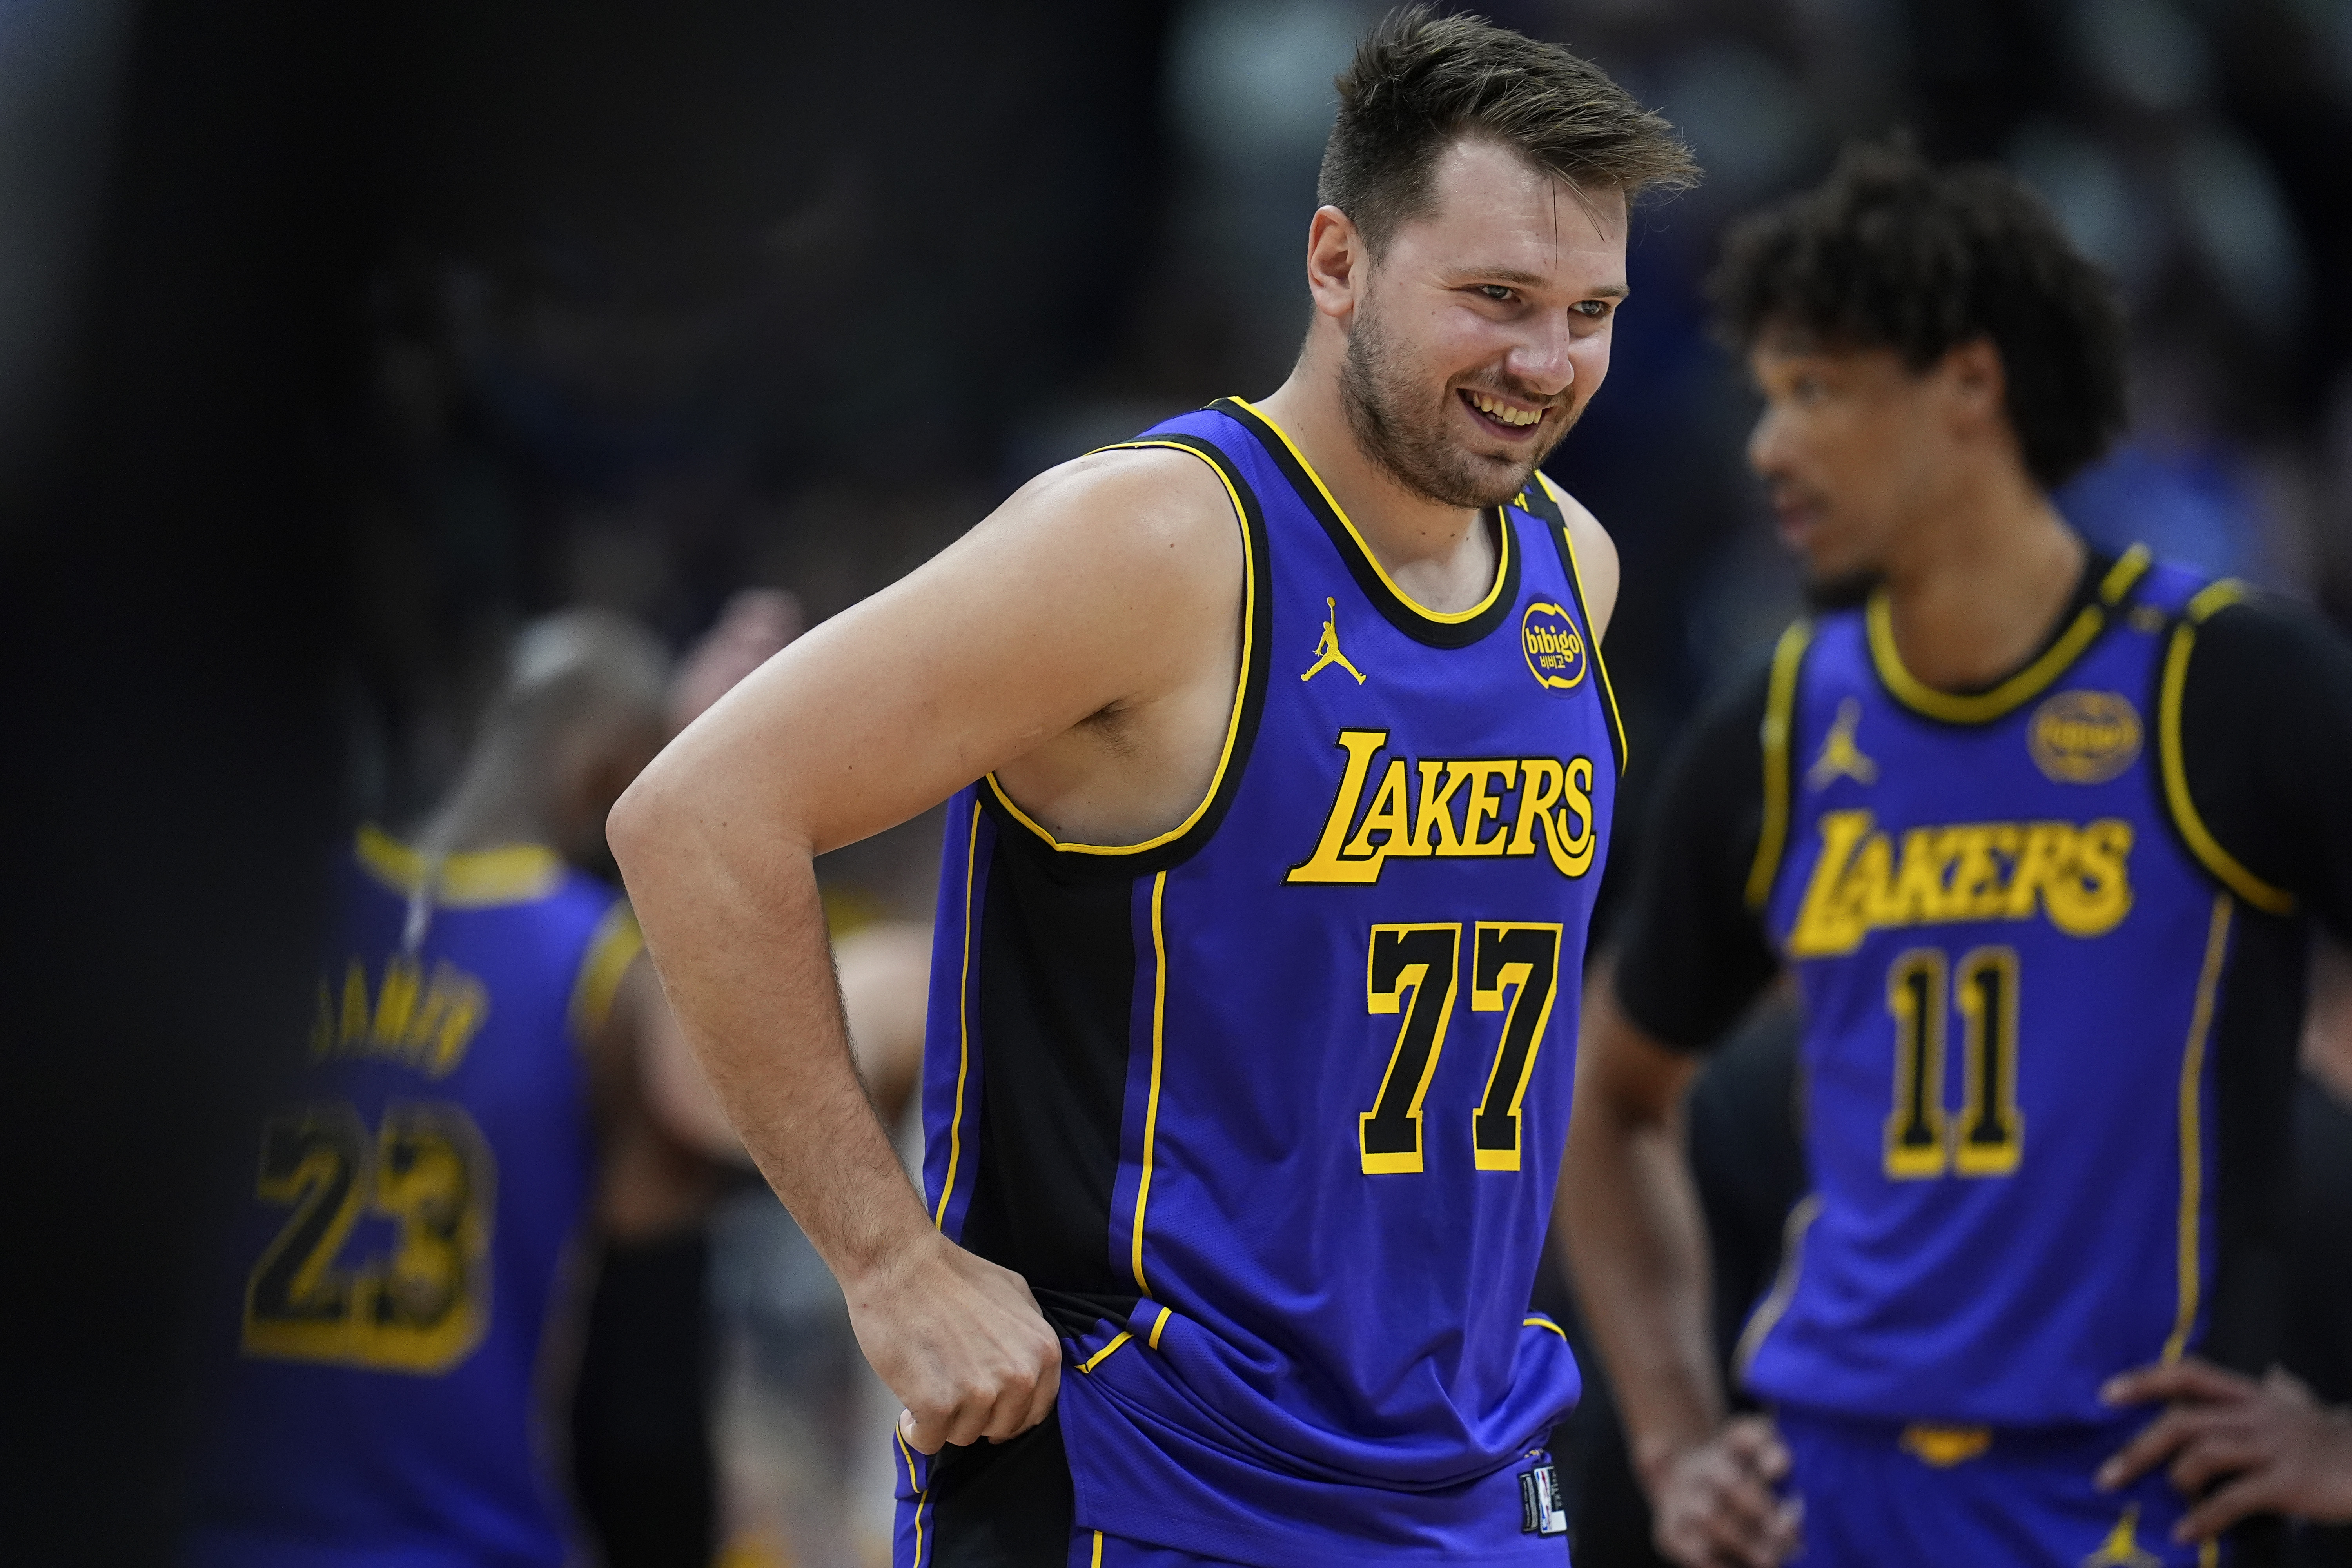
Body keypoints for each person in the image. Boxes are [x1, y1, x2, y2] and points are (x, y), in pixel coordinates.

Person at [608, 10, 1695, 1564]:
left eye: (1591, 313)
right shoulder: (1157, 544)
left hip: (1465, 1479)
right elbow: (698, 817)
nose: (1547, 363)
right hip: (1152, 1475)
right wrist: (888, 1263)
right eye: (1497, 299)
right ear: (1337, 262)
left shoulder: (1570, 570)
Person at [1559, 142, 2352, 1568]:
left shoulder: (2227, 685)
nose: (1769, 447)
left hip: (2140, 1493)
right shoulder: (1781, 724)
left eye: (1817, 392)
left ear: (1970, 387)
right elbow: (1604, 1094)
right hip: (1834, 1491)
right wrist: (1677, 1436)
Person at [183, 600, 786, 1568]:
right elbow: (647, 1399)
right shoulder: (601, 972)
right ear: (607, 775)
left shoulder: (288, 912)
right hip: (464, 1540)